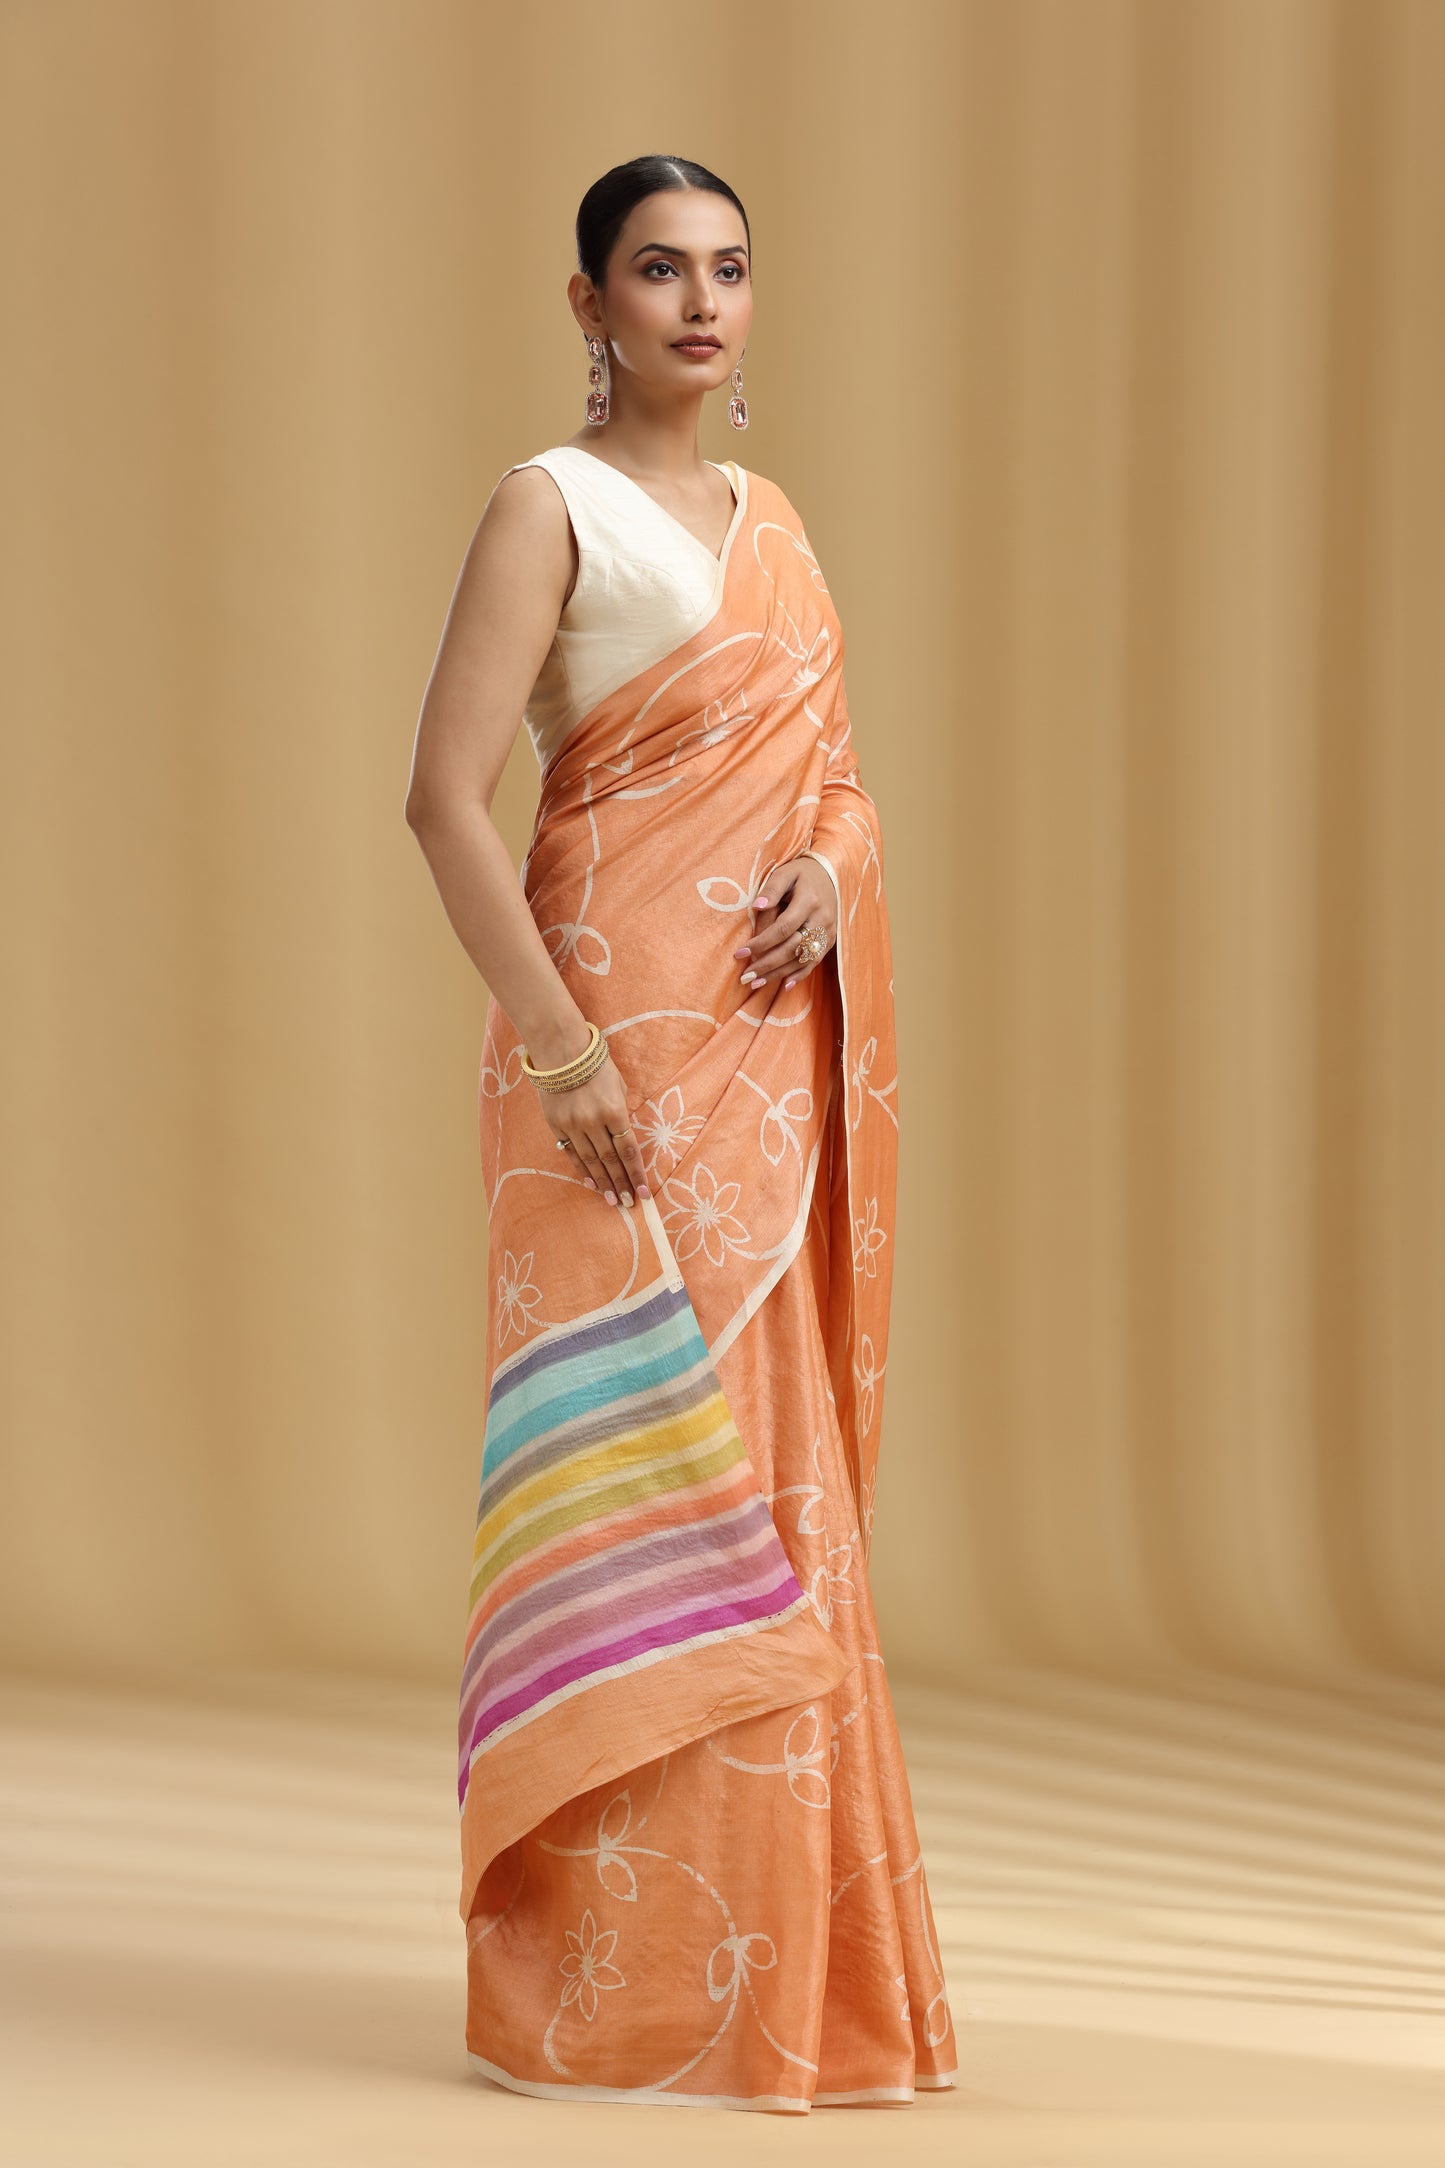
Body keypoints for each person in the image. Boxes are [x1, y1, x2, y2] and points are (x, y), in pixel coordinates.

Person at [405, 153, 956, 2113]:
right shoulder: (545, 507)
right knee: (638, 1473)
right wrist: (561, 1054)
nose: (700, 305)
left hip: (765, 1064)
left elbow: (841, 781)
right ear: (589, 305)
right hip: (610, 1069)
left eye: (729, 269)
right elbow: (445, 800)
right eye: (658, 271)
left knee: (771, 1495)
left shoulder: (775, 522)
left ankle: (778, 1984)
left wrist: (827, 863)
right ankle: (603, 1991)